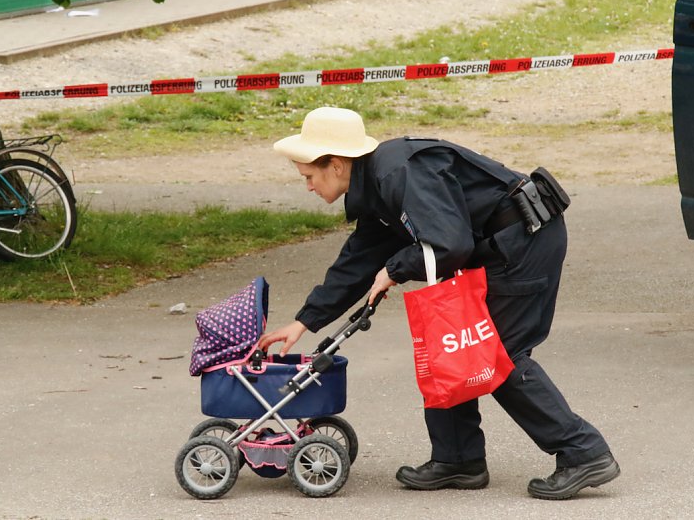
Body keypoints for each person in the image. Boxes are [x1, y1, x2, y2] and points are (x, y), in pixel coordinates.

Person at [257, 106, 620, 499]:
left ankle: (584, 453)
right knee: (452, 346)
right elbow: (357, 262)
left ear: (338, 165)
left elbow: (450, 244)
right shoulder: (377, 186)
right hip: (497, 244)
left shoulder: (398, 173)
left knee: (498, 354)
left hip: (523, 242)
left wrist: (395, 269)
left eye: (309, 176)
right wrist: (303, 322)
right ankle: (458, 459)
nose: (308, 186)